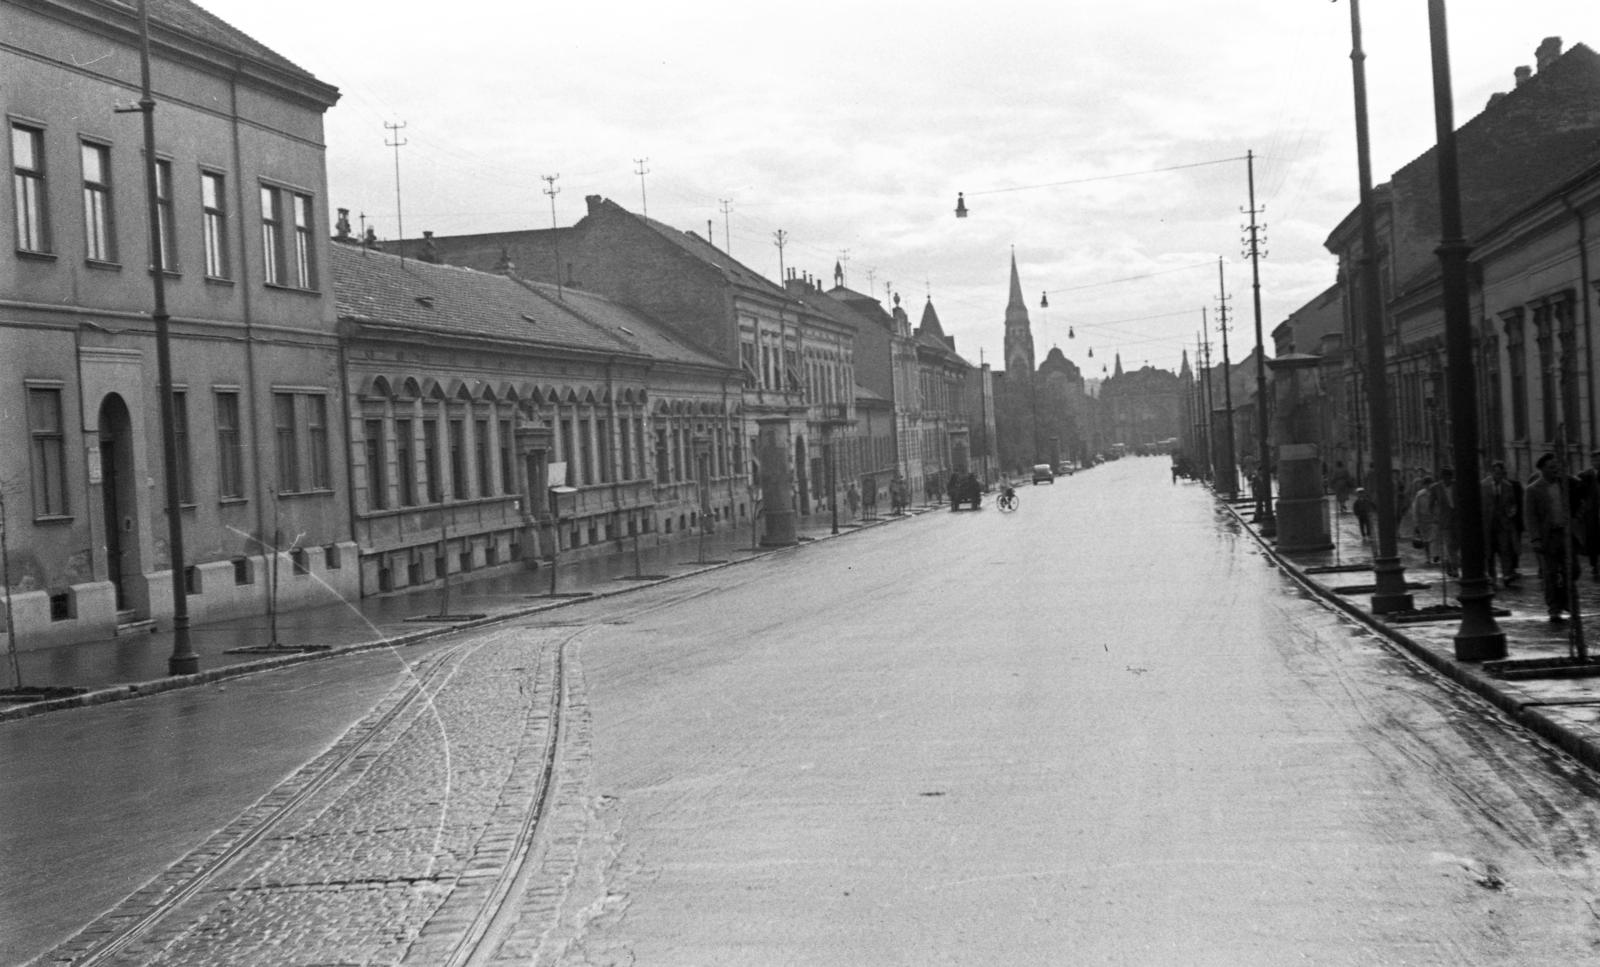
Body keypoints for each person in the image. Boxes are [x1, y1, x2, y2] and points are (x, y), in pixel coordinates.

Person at [1527, 452, 1581, 623]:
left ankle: (1567, 601)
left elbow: (1580, 486)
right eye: (1551, 467)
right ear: (1542, 469)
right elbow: (1531, 517)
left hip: (1566, 534)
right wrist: (1535, 539)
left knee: (1572, 570)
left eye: (1556, 466)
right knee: (1550, 574)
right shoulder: (1533, 490)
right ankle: (1554, 608)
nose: (1555, 470)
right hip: (1548, 537)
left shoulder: (1565, 484)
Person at [1481, 459, 1523, 587]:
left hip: (1503, 524)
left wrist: (1510, 513)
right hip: (1488, 524)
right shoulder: (1483, 485)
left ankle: (1506, 575)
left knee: (1505, 549)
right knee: (1489, 552)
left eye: (1500, 473)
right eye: (1496, 473)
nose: (1498, 476)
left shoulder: (1508, 486)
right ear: (1491, 473)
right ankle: (1492, 576)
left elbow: (1513, 503)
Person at [1429, 467, 1461, 577]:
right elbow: (1431, 505)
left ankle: (1448, 563)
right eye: (1445, 478)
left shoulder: (1457, 485)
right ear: (1442, 478)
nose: (1448, 480)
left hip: (1457, 519)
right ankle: (1455, 568)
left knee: (1457, 544)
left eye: (1449, 478)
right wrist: (1435, 516)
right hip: (1445, 520)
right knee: (1449, 544)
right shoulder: (1436, 488)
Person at [1411, 474, 1437, 562]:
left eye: (1430, 484)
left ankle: (1435, 554)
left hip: (1433, 519)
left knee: (1434, 538)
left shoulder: (1436, 493)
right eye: (1427, 484)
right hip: (1423, 520)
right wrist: (1416, 522)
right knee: (1426, 540)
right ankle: (1428, 557)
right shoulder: (1420, 495)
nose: (1429, 486)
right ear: (1424, 485)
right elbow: (1416, 509)